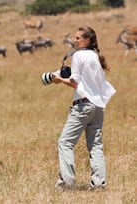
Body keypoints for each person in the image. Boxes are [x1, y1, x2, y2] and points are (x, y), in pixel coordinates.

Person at [52, 26, 116, 190]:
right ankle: (99, 183)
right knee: (95, 145)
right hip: (98, 107)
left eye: (78, 38)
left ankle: (67, 182)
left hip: (84, 105)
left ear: (87, 40)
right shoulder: (95, 56)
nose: (75, 40)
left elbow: (74, 82)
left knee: (65, 142)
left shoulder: (79, 55)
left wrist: (59, 80)